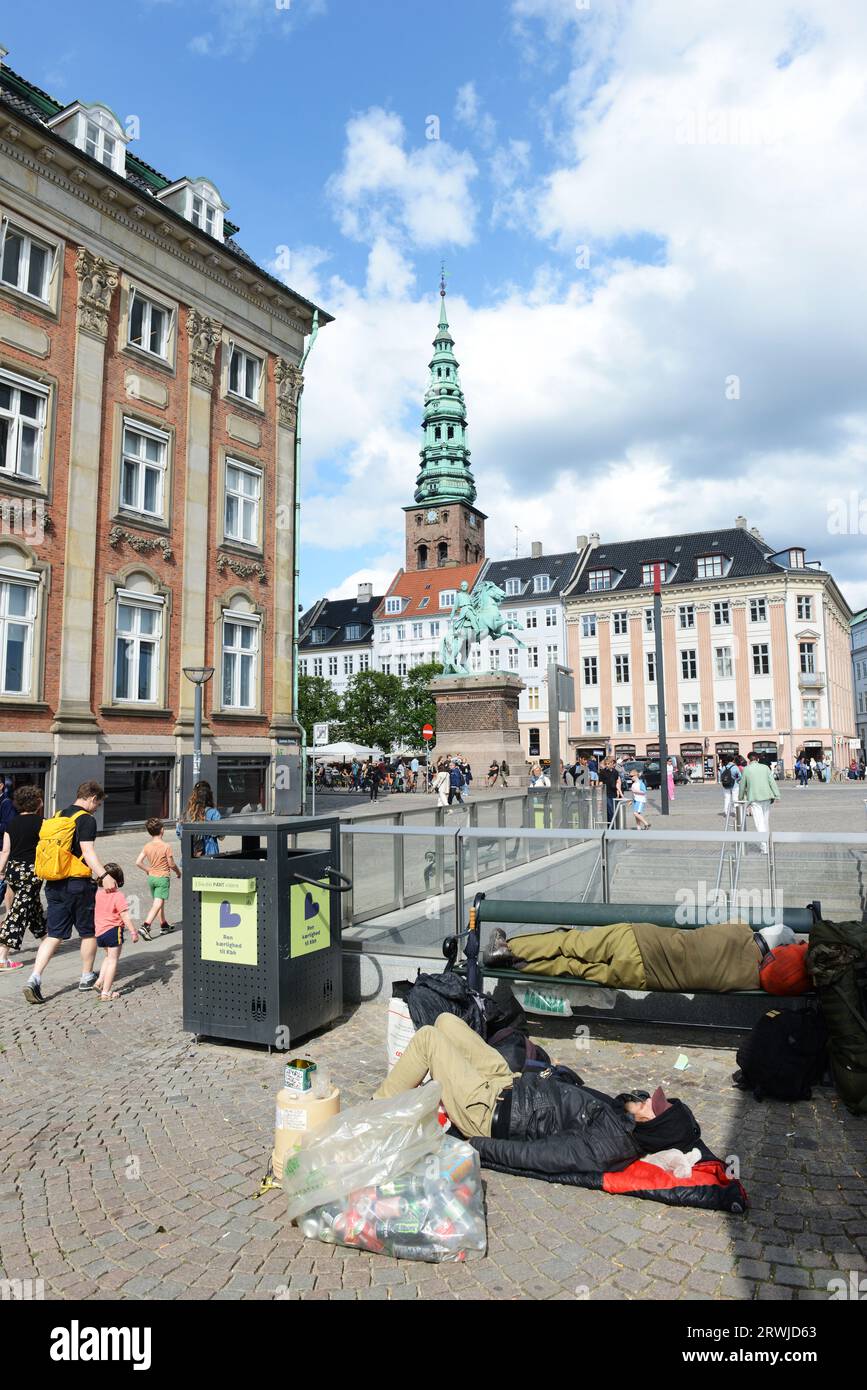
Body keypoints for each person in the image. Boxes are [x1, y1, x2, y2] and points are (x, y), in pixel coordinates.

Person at [374, 1014, 700, 1179]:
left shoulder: (605, 1146)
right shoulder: (623, 1122)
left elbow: (540, 1156)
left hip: (488, 1113)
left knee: (429, 1038)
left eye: (650, 1107)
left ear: (650, 1125)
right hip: (510, 1085)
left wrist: (477, 1145)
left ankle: (373, 1118)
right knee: (446, 1021)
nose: (644, 1101)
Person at [23, 781, 116, 1006]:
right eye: (99, 804)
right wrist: (105, 875)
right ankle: (86, 976)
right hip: (77, 884)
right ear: (92, 798)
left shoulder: (57, 816)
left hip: (53, 882)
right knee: (88, 932)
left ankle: (34, 978)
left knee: (54, 934)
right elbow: (88, 851)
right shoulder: (86, 820)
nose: (97, 808)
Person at [0, 784, 45, 969]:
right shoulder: (42, 823)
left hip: (14, 870)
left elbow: (5, 850)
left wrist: (1, 871)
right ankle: (2, 957)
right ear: (37, 802)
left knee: (32, 907)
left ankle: (47, 940)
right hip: (31, 872)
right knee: (18, 913)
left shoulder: (13, 823)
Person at [92, 863, 139, 1002]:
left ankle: (99, 981)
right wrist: (133, 931)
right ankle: (106, 993)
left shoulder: (98, 894)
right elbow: (124, 915)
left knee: (108, 957)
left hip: (100, 932)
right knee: (113, 960)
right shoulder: (118, 896)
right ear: (118, 880)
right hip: (113, 931)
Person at [136, 818, 182, 939]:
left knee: (158, 902)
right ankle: (146, 926)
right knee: (157, 903)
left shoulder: (147, 845)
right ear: (162, 830)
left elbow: (138, 862)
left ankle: (164, 924)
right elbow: (171, 864)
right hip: (162, 878)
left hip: (152, 878)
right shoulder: (166, 846)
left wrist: (148, 870)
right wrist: (178, 872)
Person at [737, 751, 780, 854]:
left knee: (759, 823)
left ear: (749, 759)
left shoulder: (746, 770)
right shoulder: (765, 768)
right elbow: (772, 781)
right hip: (767, 797)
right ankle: (767, 844)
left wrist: (741, 798)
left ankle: (764, 847)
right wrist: (777, 794)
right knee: (765, 821)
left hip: (755, 798)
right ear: (758, 759)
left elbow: (742, 785)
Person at [183, 780, 222, 856]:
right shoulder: (213, 813)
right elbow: (221, 835)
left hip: (189, 855)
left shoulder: (187, 813)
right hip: (209, 854)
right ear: (210, 796)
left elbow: (179, 834)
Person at [599, 758, 621, 824]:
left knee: (613, 809)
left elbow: (617, 782)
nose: (607, 765)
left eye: (608, 764)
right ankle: (612, 825)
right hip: (606, 793)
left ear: (612, 763)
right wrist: (599, 792)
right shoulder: (603, 772)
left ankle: (612, 825)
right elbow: (600, 782)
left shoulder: (615, 772)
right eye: (606, 764)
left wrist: (618, 793)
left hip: (613, 793)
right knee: (610, 809)